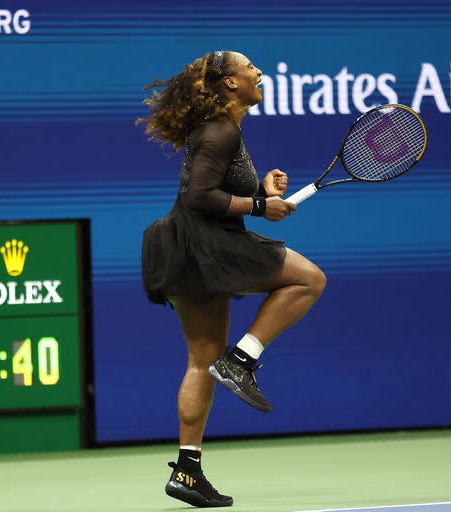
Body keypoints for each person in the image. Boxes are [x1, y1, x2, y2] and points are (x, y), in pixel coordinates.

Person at [139, 50, 326, 508]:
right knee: (309, 280)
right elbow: (201, 197)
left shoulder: (222, 130)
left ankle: (187, 471)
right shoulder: (221, 131)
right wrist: (261, 208)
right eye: (250, 69)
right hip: (206, 242)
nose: (259, 73)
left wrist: (263, 191)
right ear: (230, 84)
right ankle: (242, 360)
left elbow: (216, 191)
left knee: (200, 361)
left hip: (185, 248)